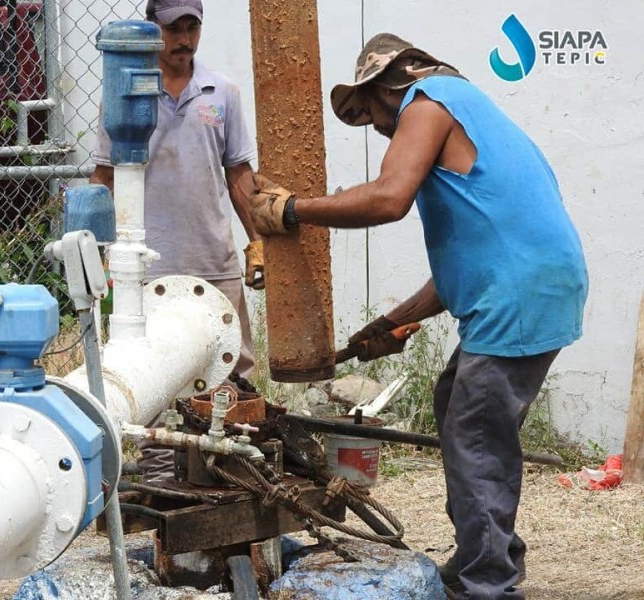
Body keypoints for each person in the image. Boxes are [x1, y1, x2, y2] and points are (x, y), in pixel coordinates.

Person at [247, 33, 588, 600]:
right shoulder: (469, 110)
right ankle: (489, 557)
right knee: (458, 405)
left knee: (474, 431)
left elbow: (388, 197)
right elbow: (473, 257)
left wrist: (292, 210)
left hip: (521, 293)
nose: (380, 131)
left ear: (391, 84)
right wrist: (391, 324)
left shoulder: (428, 102)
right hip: (530, 283)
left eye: (373, 115)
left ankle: (489, 585)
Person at [91, 0, 262, 480]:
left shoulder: (221, 92)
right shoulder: (125, 92)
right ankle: (163, 486)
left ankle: (229, 478)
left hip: (213, 258)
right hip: (152, 266)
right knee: (152, 375)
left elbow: (240, 175)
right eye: (173, 29)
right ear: (152, 29)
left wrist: (258, 242)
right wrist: (99, 250)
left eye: (192, 27)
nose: (184, 39)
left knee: (232, 369)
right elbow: (104, 177)